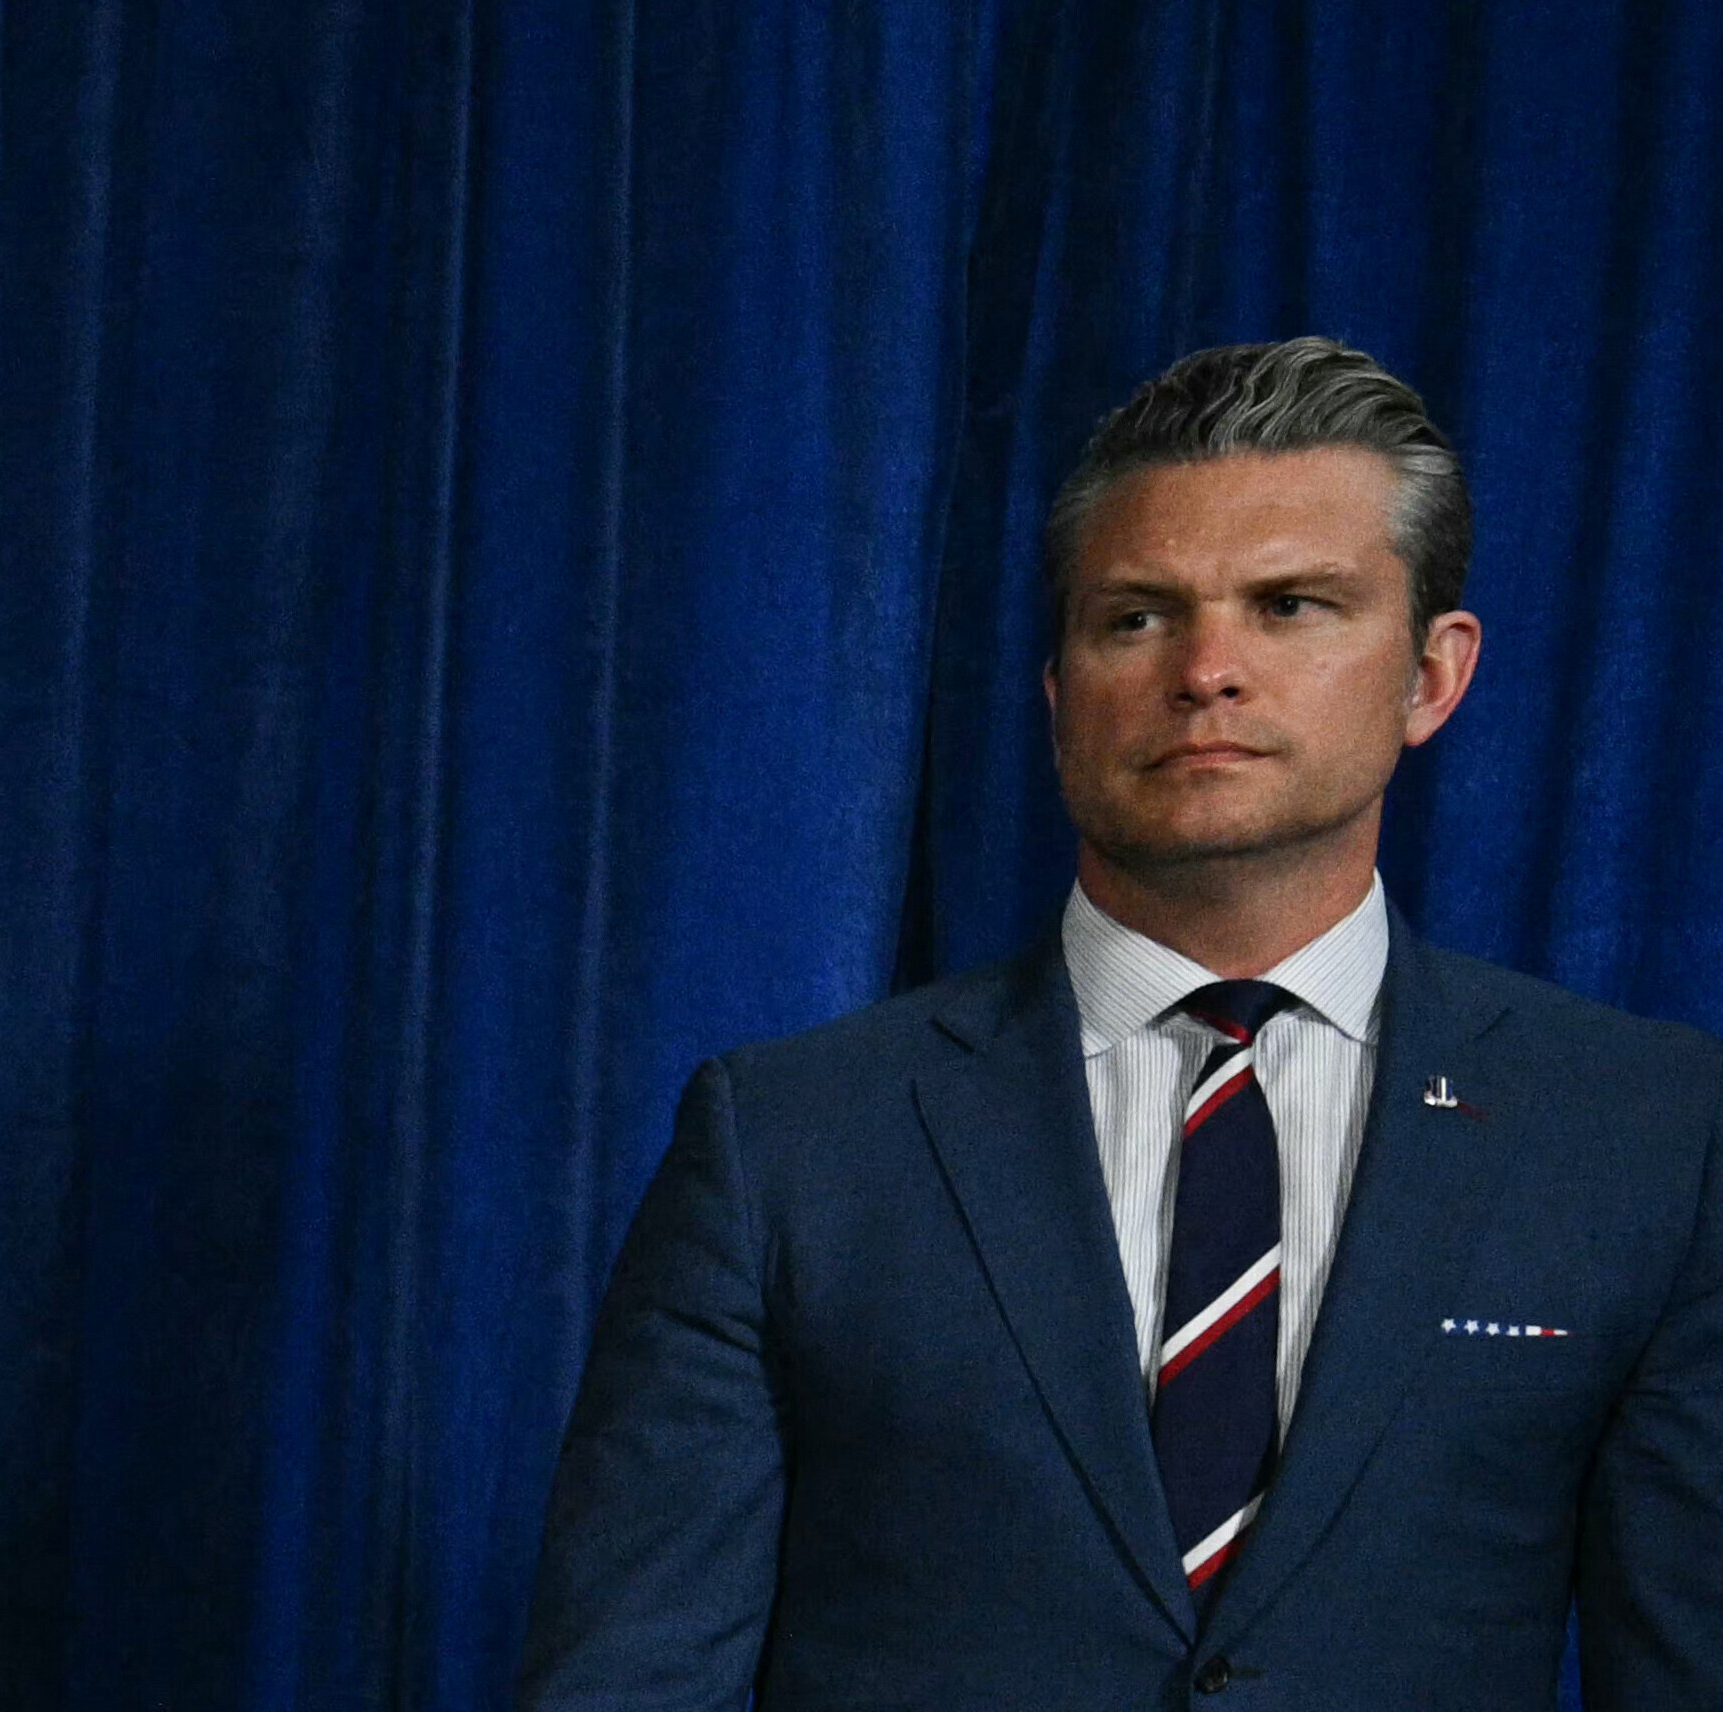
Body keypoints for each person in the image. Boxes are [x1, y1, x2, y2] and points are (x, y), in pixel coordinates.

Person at [526, 339, 1723, 1704]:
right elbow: (624, 1678)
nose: (1204, 669)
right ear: (1054, 697)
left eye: (1288, 606)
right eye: (1135, 618)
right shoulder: (786, 1139)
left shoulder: (1645, 1134)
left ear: (1430, 677)